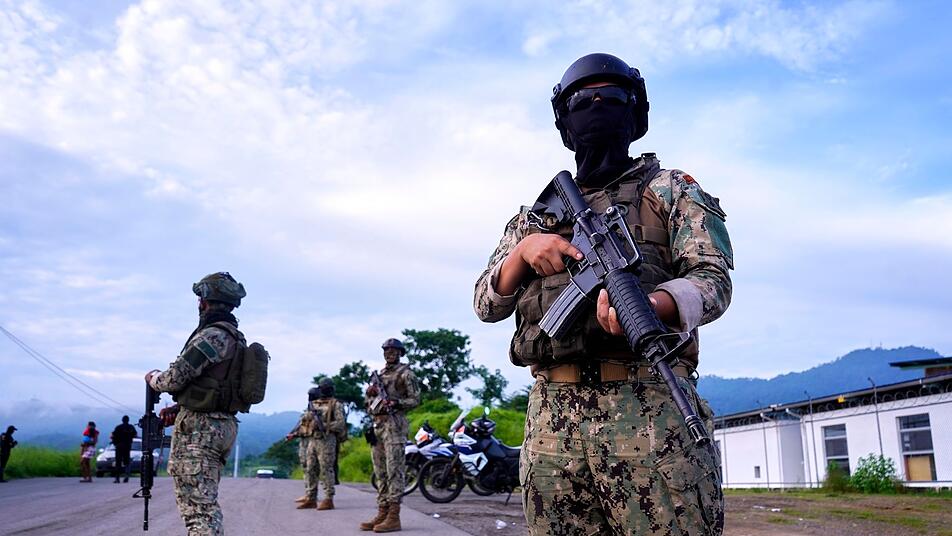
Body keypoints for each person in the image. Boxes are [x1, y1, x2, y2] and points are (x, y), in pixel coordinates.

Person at [474, 53, 733, 535]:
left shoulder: (670, 189)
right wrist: (522, 254)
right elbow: (486, 305)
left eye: (611, 97)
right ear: (565, 120)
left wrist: (654, 307)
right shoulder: (534, 218)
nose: (596, 107)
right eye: (582, 101)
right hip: (552, 423)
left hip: (651, 409)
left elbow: (713, 280)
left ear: (634, 112)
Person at [145, 272, 247, 536]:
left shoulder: (212, 336)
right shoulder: (235, 338)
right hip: (221, 425)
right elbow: (217, 385)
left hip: (201, 430)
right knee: (204, 505)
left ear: (205, 301)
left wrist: (153, 378)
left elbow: (175, 377)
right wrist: (180, 407)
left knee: (198, 512)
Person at [359, 338, 420, 533]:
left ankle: (394, 517)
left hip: (394, 425)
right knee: (380, 471)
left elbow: (415, 399)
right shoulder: (380, 375)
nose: (390, 353)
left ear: (401, 352)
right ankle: (382, 512)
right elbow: (368, 404)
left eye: (394, 350)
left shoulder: (406, 373)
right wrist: (370, 394)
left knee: (394, 470)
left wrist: (396, 403)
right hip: (378, 425)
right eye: (387, 350)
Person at [286, 387, 322, 508]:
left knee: (311, 468)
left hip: (311, 440)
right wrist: (294, 433)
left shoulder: (317, 408)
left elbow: (309, 426)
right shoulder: (310, 408)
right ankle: (308, 493)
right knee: (306, 468)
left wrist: (295, 434)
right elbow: (301, 425)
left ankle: (311, 494)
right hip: (304, 440)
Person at [110, 415, 138, 483]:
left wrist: (115, 443)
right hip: (127, 446)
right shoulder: (131, 427)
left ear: (122, 420)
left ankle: (117, 478)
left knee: (118, 462)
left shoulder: (118, 427)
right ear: (128, 420)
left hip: (119, 446)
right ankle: (126, 476)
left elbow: (113, 436)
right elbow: (135, 435)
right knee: (127, 462)